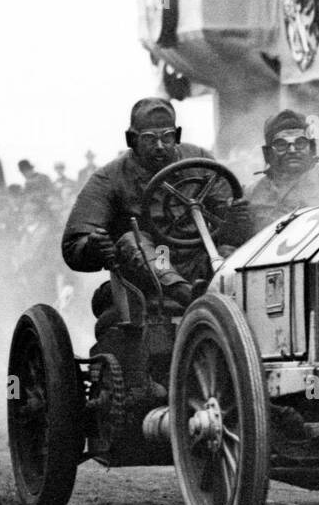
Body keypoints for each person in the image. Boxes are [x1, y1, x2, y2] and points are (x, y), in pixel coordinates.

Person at [62, 98, 237, 333]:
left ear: (177, 135)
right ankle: (185, 294)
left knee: (232, 249)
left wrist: (239, 218)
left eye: (167, 136)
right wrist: (93, 246)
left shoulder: (200, 160)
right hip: (150, 273)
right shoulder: (109, 178)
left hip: (202, 261)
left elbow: (228, 212)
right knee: (133, 240)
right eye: (149, 139)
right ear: (131, 139)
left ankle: (227, 291)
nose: (160, 146)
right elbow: (74, 244)